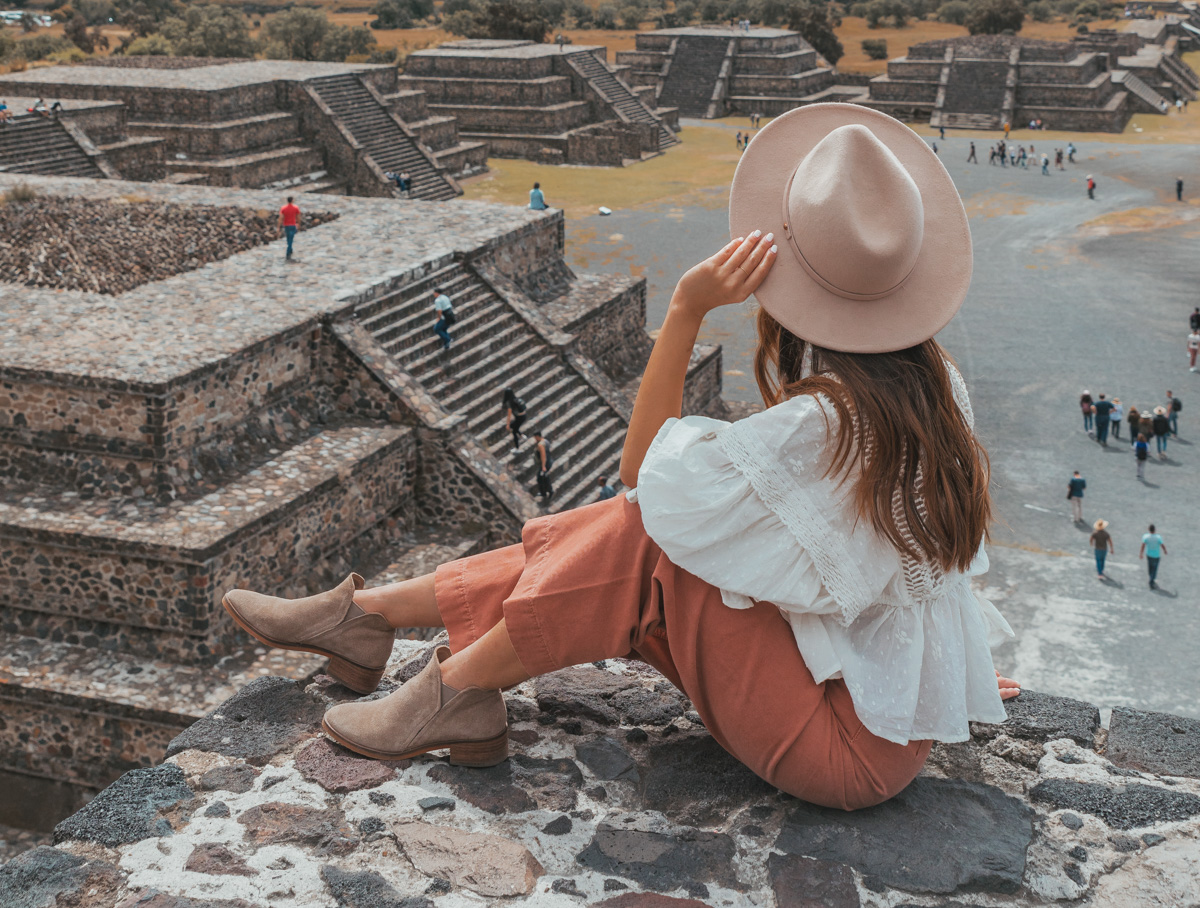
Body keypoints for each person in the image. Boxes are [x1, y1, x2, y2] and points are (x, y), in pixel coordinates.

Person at [218, 104, 1018, 807]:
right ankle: (364, 619)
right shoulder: (931, 385)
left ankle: (452, 688)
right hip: (873, 716)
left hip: (843, 749)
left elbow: (642, 481)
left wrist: (685, 311)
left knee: (647, 532)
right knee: (645, 527)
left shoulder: (827, 420)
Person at [502, 387, 527, 452]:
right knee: (513, 426)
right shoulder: (515, 399)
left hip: (519, 418)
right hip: (524, 416)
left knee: (514, 431)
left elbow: (509, 415)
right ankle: (522, 436)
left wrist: (507, 425)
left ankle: (517, 448)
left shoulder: (509, 403)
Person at [277, 196, 300, 261]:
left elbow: (281, 217)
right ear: (292, 200)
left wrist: (279, 226)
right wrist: (298, 224)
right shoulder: (295, 208)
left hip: (286, 225)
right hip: (292, 225)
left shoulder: (283, 208)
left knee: (288, 238)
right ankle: (288, 251)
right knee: (291, 238)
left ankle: (290, 249)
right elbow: (298, 217)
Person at [533, 430, 553, 501]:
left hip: (545, 464)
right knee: (544, 477)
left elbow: (543, 455)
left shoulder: (540, 445)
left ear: (537, 436)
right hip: (549, 461)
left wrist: (543, 466)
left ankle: (546, 492)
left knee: (540, 478)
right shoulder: (546, 441)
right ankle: (547, 491)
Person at [433, 289, 454, 355]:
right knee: (444, 329)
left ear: (436, 293)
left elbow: (439, 311)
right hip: (450, 315)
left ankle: (448, 339)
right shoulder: (445, 297)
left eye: (434, 293)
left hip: (444, 317)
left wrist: (438, 318)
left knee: (436, 329)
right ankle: (446, 345)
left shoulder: (437, 300)